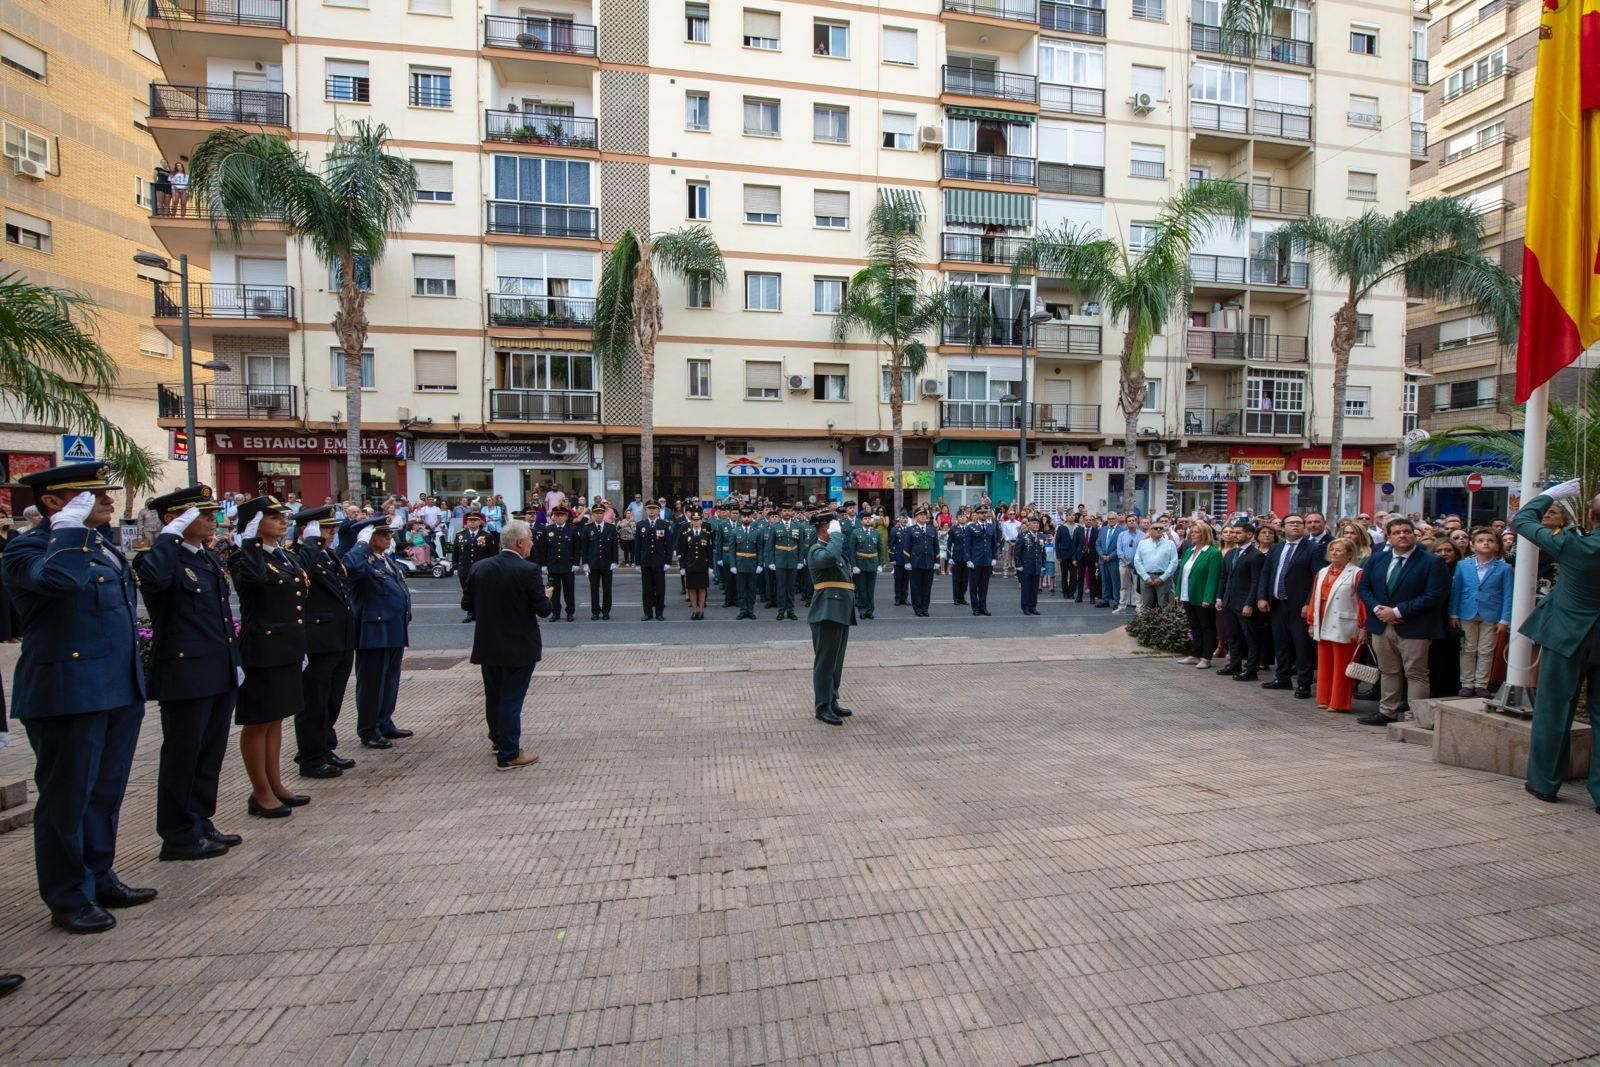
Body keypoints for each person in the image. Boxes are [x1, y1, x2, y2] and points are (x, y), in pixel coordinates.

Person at [4, 464, 155, 933]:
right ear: (53, 501)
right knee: (66, 799)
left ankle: (99, 874)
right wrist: (66, 531)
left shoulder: (100, 544)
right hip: (67, 692)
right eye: (89, 495)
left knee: (104, 793)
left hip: (115, 687)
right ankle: (69, 895)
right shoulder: (28, 548)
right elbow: (60, 585)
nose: (106, 502)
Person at [133, 485, 242, 861]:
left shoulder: (203, 558)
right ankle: (178, 832)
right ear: (173, 519)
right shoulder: (161, 558)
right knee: (183, 754)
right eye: (201, 513)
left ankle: (200, 820)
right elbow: (155, 583)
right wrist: (168, 537)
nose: (212, 519)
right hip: (184, 672)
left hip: (215, 667)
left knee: (208, 752)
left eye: (213, 512)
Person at [1510, 480, 1600, 805]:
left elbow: (1521, 521)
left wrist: (1550, 494)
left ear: (1591, 517)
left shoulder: (1575, 545)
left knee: (1553, 710)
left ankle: (1545, 783)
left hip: (1566, 637)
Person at [227, 496, 310, 820]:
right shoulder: (245, 559)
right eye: (273, 517)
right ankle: (260, 791)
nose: (282, 521)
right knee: (258, 721)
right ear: (254, 522)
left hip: (285, 646)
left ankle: (275, 783)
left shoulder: (284, 557)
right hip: (261, 648)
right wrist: (247, 544)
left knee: (276, 718)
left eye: (282, 517)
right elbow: (256, 581)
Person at [465, 519, 551, 770]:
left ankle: (498, 738)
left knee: (494, 695)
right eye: (531, 540)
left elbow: (467, 604)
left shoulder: (480, 567)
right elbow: (543, 610)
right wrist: (545, 595)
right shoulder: (528, 570)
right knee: (511, 698)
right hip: (518, 645)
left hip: (488, 643)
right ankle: (509, 752)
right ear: (520, 542)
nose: (533, 545)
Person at [1355, 517, 1449, 727]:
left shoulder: (1432, 561)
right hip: (1381, 624)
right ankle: (1387, 712)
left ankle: (1416, 717)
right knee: (1388, 670)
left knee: (1416, 672)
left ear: (1415, 534)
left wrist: (1397, 611)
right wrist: (1378, 609)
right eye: (1397, 532)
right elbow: (1363, 588)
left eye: (1406, 531)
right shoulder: (1377, 558)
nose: (1402, 535)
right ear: (1389, 536)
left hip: (1415, 626)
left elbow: (1435, 595)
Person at [288, 505, 356, 780]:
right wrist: (311, 543)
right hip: (318, 639)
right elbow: (305, 575)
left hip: (338, 637)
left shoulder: (326, 556)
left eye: (331, 529)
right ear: (308, 530)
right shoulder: (300, 555)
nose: (330, 534)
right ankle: (311, 756)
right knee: (314, 702)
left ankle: (326, 746)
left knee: (331, 699)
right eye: (325, 529)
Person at [345, 518, 413, 748]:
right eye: (381, 533)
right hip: (374, 631)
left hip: (393, 628)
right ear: (368, 537)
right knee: (372, 682)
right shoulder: (361, 561)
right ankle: (368, 729)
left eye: (389, 533)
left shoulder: (385, 560)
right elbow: (352, 567)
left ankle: (384, 722)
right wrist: (361, 544)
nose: (388, 537)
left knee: (390, 679)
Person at [1257, 514, 1322, 699]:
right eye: (1291, 523)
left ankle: (1303, 683)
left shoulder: (1313, 548)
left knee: (1302, 646)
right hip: (1277, 603)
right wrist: (1262, 597)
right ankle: (1282, 677)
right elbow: (1266, 573)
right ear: (1282, 528)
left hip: (1299, 605)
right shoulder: (1276, 548)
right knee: (1281, 643)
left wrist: (1309, 603)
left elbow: (1317, 578)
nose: (1295, 526)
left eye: (1299, 523)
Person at [806, 509, 857, 726]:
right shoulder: (817, 550)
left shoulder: (833, 550)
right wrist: (835, 536)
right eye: (833, 526)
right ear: (824, 528)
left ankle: (832, 699)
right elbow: (831, 557)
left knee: (836, 662)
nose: (838, 530)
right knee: (825, 663)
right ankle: (822, 707)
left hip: (840, 610)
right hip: (826, 611)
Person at [1304, 538, 1366, 713]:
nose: (1334, 553)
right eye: (1332, 550)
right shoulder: (1322, 572)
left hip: (1344, 621)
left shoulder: (1356, 573)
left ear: (1349, 553)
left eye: (1339, 550)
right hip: (1323, 619)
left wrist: (1363, 626)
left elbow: (1362, 602)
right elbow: (1314, 598)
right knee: (1324, 662)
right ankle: (1324, 697)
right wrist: (1311, 622)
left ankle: (1339, 702)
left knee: (1342, 664)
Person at [1450, 527, 1512, 698]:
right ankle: (1467, 683)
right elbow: (1457, 590)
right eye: (1480, 540)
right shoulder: (1463, 565)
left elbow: (1508, 594)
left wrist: (1504, 619)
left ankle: (1481, 683)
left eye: (1490, 540)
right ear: (1473, 545)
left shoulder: (1504, 568)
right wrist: (1453, 614)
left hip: (1491, 613)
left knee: (1486, 650)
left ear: (1497, 546)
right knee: (1468, 648)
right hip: (1466, 611)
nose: (1485, 543)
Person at [1219, 523, 1266, 680]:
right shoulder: (1231, 553)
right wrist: (1220, 597)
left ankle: (1251, 669)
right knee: (1232, 635)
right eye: (1233, 532)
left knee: (1250, 637)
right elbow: (1224, 577)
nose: (1234, 535)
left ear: (1249, 535)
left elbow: (1255, 581)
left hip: (1244, 602)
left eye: (1238, 532)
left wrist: (1249, 603)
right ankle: (1235, 664)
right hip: (1229, 601)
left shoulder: (1256, 555)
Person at [1175, 522, 1222, 668]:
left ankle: (1206, 657)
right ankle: (1195, 654)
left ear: (1205, 534)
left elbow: (1213, 578)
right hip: (1187, 594)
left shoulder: (1213, 553)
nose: (1192, 534)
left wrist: (1209, 598)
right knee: (1194, 626)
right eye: (1192, 532)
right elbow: (1182, 573)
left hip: (1202, 596)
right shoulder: (1190, 550)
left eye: (1196, 532)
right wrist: (1178, 593)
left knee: (1206, 627)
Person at [1428, 539, 1464, 699]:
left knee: (1451, 657)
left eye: (1448, 550)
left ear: (1455, 553)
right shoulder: (1429, 568)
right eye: (1439, 550)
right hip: (1433, 618)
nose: (1444, 554)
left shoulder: (1461, 569)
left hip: (1454, 619)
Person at [537, 504, 581, 622]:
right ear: (553, 517)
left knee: (569, 591)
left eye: (562, 515)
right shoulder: (548, 530)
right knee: (553, 592)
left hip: (568, 565)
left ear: (566, 517)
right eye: (557, 515)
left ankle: (570, 612)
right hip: (553, 566)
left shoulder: (572, 529)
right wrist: (544, 565)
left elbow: (577, 548)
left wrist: (576, 563)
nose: (560, 518)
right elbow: (543, 549)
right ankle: (555, 613)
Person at [453, 512, 498, 621]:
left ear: (480, 522)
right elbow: (456, 552)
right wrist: (455, 566)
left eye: (475, 520)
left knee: (481, 591)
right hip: (465, 568)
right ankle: (470, 612)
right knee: (467, 591)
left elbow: (492, 553)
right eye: (470, 521)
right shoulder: (460, 535)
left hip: (481, 569)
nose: (472, 523)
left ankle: (480, 612)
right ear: (466, 522)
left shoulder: (487, 535)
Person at [766, 502, 806, 620]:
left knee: (791, 587)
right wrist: (771, 562)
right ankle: (781, 610)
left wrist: (800, 560)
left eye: (789, 510)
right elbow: (770, 546)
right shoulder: (775, 526)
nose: (787, 513)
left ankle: (791, 610)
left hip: (793, 561)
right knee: (781, 587)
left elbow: (801, 544)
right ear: (780, 513)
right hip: (780, 561)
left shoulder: (797, 526)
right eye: (784, 510)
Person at [636, 500, 673, 621]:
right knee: (647, 589)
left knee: (660, 588)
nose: (651, 511)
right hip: (646, 561)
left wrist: (668, 562)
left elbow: (669, 545)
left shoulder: (664, 525)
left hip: (659, 561)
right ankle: (647, 613)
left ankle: (659, 613)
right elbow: (637, 546)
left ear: (658, 510)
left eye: (654, 509)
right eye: (649, 509)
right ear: (646, 510)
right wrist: (637, 563)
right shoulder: (641, 525)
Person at [678, 510, 716, 619]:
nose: (696, 522)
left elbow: (710, 551)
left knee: (702, 588)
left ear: (701, 521)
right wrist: (682, 567)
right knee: (692, 589)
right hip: (690, 566)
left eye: (698, 520)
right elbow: (683, 552)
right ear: (691, 522)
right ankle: (694, 610)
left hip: (702, 565)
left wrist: (710, 566)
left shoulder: (706, 534)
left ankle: (701, 610)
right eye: (694, 520)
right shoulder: (686, 534)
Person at [583, 505, 619, 620]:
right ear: (593, 514)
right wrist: (585, 563)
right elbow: (584, 548)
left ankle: (606, 611)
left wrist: (614, 561)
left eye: (601, 513)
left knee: (607, 589)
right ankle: (595, 611)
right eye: (596, 513)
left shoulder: (611, 528)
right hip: (593, 563)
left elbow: (614, 546)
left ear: (604, 514)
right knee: (594, 589)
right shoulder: (587, 528)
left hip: (607, 563)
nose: (599, 515)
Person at [1133, 522, 1178, 612]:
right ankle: (1146, 625)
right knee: (1147, 605)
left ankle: (1165, 625)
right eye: (1156, 528)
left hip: (1163, 578)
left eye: (1161, 528)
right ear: (1150, 531)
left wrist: (1163, 578)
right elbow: (1137, 561)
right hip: (1146, 577)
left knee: (1164, 605)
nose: (1158, 530)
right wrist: (1146, 577)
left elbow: (1173, 562)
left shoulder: (1170, 544)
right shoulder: (1142, 543)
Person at [729, 506, 763, 620]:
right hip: (740, 564)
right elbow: (732, 550)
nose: (746, 518)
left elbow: (760, 550)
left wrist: (760, 564)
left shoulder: (757, 532)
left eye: (748, 516)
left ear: (751, 517)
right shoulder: (734, 531)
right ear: (741, 517)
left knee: (752, 589)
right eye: (744, 516)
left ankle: (751, 610)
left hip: (753, 564)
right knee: (741, 589)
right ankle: (743, 610)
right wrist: (732, 565)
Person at [905, 505, 939, 616]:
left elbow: (936, 546)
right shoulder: (910, 530)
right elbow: (907, 547)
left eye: (925, 515)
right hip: (915, 562)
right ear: (915, 517)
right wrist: (907, 561)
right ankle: (918, 608)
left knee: (927, 587)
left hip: (929, 562)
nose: (924, 516)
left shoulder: (931, 529)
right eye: (921, 515)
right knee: (916, 587)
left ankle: (925, 608)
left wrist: (937, 561)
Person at [852, 511, 886, 618]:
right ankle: (862, 611)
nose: (867, 520)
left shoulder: (876, 533)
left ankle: (870, 611)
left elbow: (881, 549)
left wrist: (881, 564)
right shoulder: (856, 533)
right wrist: (854, 565)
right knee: (861, 589)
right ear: (861, 521)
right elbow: (852, 550)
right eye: (865, 518)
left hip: (873, 564)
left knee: (870, 589)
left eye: (869, 518)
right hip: (861, 564)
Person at [1016, 514, 1046, 615]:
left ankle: (1033, 606)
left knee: (1034, 588)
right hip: (1026, 565)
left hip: (1037, 565)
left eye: (1037, 523)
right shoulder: (1023, 535)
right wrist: (1018, 564)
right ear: (1029, 524)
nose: (1036, 525)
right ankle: (1025, 607)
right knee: (1026, 588)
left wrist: (1043, 564)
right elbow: (1017, 551)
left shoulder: (1041, 536)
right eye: (1034, 523)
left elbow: (1043, 551)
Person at [1114, 514, 1142, 614]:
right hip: (1123, 564)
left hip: (1136, 565)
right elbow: (1119, 550)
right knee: (1123, 586)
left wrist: (1133, 562)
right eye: (1129, 520)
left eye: (1133, 520)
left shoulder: (1142, 535)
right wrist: (1126, 562)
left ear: (1137, 522)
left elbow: (1141, 550)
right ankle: (1122, 606)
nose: (1131, 522)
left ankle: (1139, 608)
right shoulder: (1122, 535)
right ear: (1126, 523)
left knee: (1137, 587)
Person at [948, 509, 970, 606]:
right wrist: (950, 557)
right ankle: (956, 598)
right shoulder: (953, 529)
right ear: (957, 518)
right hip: (957, 557)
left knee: (965, 579)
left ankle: (962, 597)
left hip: (967, 558)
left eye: (964, 516)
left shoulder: (970, 529)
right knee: (956, 579)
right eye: (960, 517)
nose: (962, 518)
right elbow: (948, 544)